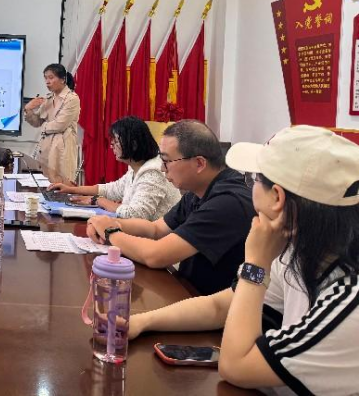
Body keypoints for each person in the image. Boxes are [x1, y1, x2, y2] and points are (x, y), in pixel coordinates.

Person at [128, 126, 359, 395]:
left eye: (254, 178)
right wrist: (141, 321)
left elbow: (235, 366)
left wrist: (255, 265)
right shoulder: (298, 255)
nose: (248, 186)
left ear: (277, 198)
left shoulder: (350, 302)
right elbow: (219, 306)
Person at [87, 119, 254, 295]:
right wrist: (112, 223)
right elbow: (155, 229)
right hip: (187, 290)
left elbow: (156, 255)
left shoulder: (227, 202)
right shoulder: (198, 191)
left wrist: (110, 232)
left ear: (199, 163)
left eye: (166, 161)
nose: (162, 168)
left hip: (211, 303)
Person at [48, 116, 180, 221]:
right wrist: (71, 190)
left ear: (133, 144)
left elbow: (134, 215)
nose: (112, 145)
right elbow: (112, 189)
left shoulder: (153, 172)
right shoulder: (136, 167)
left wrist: (98, 200)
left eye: (116, 141)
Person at [24, 63, 80, 181]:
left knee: (61, 184)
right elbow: (36, 122)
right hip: (45, 149)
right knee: (43, 183)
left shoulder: (72, 99)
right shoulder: (48, 99)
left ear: (62, 79)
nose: (47, 82)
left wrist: (43, 126)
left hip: (62, 149)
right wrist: (28, 109)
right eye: (45, 78)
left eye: (51, 78)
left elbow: (60, 125)